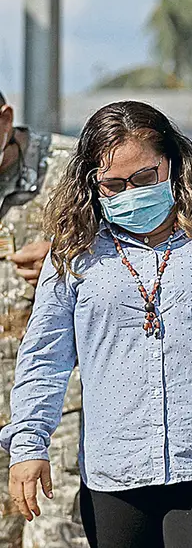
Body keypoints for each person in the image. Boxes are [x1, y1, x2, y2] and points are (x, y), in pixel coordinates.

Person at [0, 100, 192, 548]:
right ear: (91, 184)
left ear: (173, 163)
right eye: (113, 185)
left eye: (146, 177)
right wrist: (29, 443)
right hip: (114, 473)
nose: (131, 193)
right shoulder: (73, 252)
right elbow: (44, 357)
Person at [0, 90, 86, 548]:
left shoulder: (73, 169)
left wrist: (67, 255)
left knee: (54, 538)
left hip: (57, 406)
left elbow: (140, 243)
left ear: (5, 120)